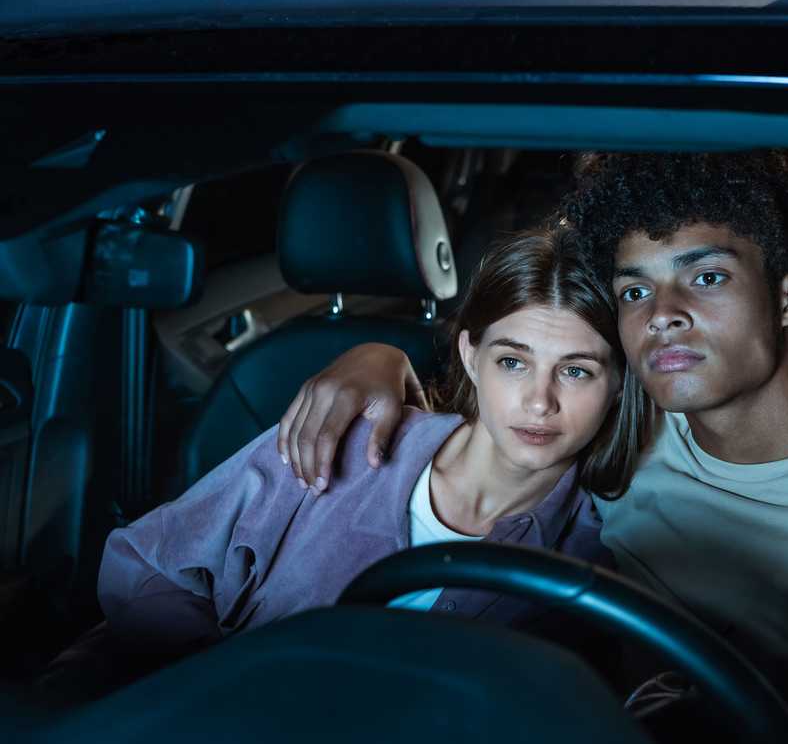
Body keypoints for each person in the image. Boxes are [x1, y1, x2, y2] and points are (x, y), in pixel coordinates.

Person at [276, 150, 788, 715]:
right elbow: (512, 390)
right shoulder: (620, 432)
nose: (662, 313)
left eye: (706, 276)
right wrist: (378, 357)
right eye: (635, 291)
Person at [97, 228, 647, 657]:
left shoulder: (599, 552)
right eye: (512, 362)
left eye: (576, 372)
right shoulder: (337, 439)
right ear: (470, 358)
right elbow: (146, 564)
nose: (538, 402)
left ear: (619, 384)